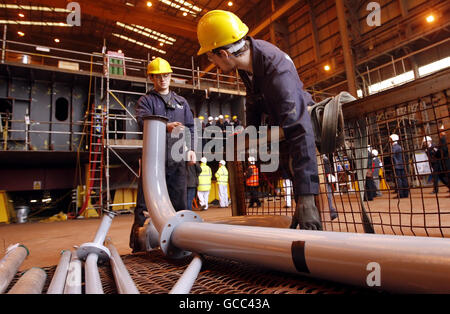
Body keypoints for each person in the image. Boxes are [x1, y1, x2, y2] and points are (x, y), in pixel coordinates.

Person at [197, 10, 321, 230]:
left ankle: (317, 237)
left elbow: (300, 129)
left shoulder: (275, 70)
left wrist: (307, 195)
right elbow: (253, 101)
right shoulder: (248, 65)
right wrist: (249, 140)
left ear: (225, 54)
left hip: (300, 128)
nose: (211, 61)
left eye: (210, 56)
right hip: (283, 126)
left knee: (308, 204)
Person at [129, 57, 196, 252]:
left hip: (177, 159)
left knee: (180, 203)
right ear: (151, 78)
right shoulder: (147, 101)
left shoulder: (181, 102)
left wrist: (191, 149)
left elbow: (191, 127)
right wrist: (165, 127)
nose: (163, 80)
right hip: (154, 160)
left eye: (166, 75)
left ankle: (181, 245)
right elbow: (142, 121)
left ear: (170, 76)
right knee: (145, 204)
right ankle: (139, 246)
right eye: (158, 77)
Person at [390, 134, 409, 198]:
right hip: (402, 165)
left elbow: (392, 156)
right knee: (404, 179)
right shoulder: (400, 146)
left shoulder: (394, 147)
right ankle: (406, 193)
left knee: (399, 180)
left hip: (397, 166)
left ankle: (401, 194)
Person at [323, 154, 338, 220]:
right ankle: (331, 212)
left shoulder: (324, 159)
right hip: (325, 180)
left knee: (328, 196)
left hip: (324, 180)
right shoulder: (325, 159)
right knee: (328, 196)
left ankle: (331, 212)